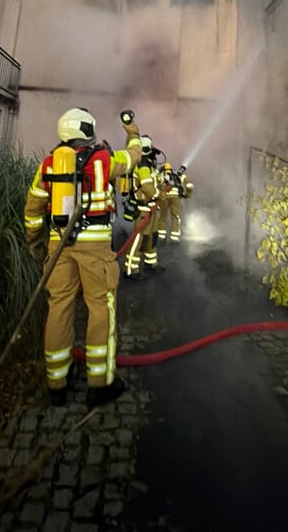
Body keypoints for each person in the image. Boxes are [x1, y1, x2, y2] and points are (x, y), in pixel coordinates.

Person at [24, 107, 142, 407]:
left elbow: (33, 207)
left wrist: (34, 240)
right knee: (100, 308)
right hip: (94, 248)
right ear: (87, 130)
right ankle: (99, 384)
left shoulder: (49, 164)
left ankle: (56, 384)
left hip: (58, 245)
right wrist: (134, 135)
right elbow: (131, 160)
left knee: (59, 306)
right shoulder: (102, 159)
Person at [123, 136, 165, 279]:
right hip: (143, 209)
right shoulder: (143, 166)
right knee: (138, 238)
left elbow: (154, 183)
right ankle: (130, 269)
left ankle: (150, 262)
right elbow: (147, 187)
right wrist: (160, 194)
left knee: (152, 236)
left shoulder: (149, 166)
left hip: (151, 208)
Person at [157, 162, 193, 242]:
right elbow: (189, 185)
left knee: (163, 216)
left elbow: (157, 185)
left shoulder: (162, 175)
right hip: (176, 198)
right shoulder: (179, 174)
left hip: (164, 197)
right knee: (175, 216)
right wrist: (187, 195)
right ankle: (174, 237)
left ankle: (161, 236)